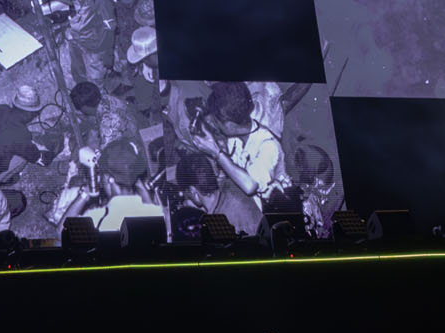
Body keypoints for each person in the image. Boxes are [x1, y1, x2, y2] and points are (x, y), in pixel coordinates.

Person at [184, 81, 288, 234]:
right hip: (249, 207)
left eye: (216, 122)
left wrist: (216, 152)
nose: (214, 124)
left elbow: (250, 186)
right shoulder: (237, 135)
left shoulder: (268, 147)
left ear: (230, 125)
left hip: (271, 218)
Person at [60, 141, 167, 233]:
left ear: (109, 179)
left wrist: (85, 193)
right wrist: (138, 183)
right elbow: (150, 207)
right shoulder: (157, 214)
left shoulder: (97, 218)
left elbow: (61, 233)